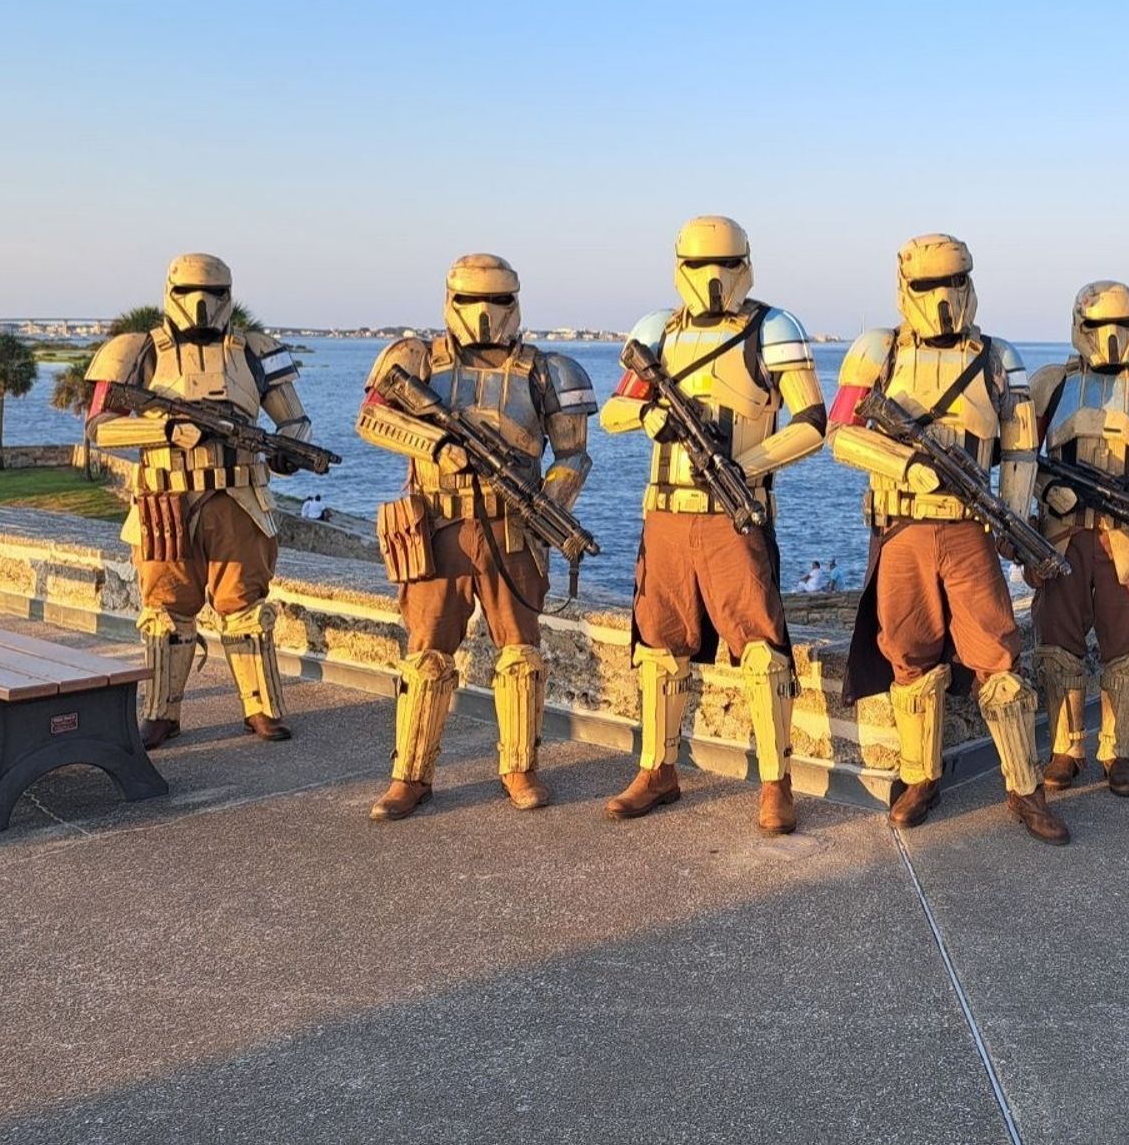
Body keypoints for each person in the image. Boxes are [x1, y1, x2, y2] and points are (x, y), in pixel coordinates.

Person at [828, 233, 1068, 845]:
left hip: (970, 528)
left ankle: (1024, 786)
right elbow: (842, 434)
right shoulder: (876, 351)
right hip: (903, 523)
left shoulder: (998, 357)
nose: (942, 297)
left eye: (953, 282)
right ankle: (920, 777)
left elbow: (1019, 449)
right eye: (930, 285)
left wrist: (1013, 521)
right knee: (909, 654)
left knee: (998, 657)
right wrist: (908, 466)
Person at [598, 216, 826, 836]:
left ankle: (776, 783)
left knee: (762, 651)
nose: (714, 278)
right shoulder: (657, 331)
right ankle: (657, 767)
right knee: (659, 646)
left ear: (746, 263)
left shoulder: (775, 328)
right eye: (701, 266)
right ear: (681, 267)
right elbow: (613, 412)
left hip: (734, 510)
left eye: (725, 264)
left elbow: (811, 422)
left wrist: (744, 466)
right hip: (667, 512)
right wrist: (650, 415)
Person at [355, 254, 597, 820]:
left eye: (498, 300)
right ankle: (410, 774)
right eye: (471, 301)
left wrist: (547, 509)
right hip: (437, 523)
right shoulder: (415, 359)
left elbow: (573, 455)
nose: (485, 314)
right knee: (426, 657)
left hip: (513, 530)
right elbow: (371, 419)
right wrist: (436, 446)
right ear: (450, 300)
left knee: (519, 656)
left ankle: (519, 767)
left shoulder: (546, 370)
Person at [86, 253, 316, 747]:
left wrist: (288, 454)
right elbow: (100, 428)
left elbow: (293, 421)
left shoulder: (255, 350)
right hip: (164, 500)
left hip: (238, 497)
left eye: (214, 293)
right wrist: (164, 427)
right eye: (192, 291)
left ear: (228, 295)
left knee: (246, 608)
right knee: (167, 610)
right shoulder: (138, 350)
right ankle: (161, 712)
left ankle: (261, 708)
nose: (203, 304)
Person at [1028, 281, 1129, 797]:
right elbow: (1017, 457)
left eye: (1121, 325)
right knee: (1058, 645)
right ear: (1081, 325)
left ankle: (1118, 751)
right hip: (1062, 535)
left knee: (1127, 649)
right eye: (1100, 326)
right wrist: (1047, 489)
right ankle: (1065, 748)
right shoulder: (1050, 385)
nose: (1111, 337)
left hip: (1124, 536)